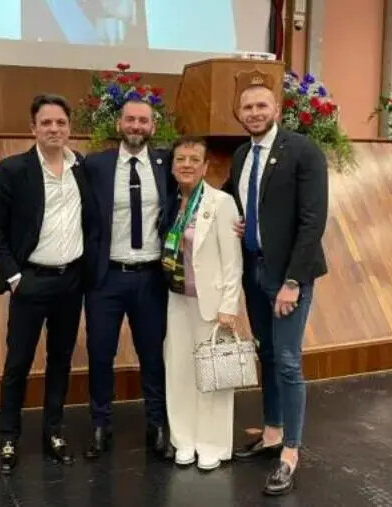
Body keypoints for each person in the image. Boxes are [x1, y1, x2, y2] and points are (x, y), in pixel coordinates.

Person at [223, 78, 329, 495]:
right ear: (240, 113)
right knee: (265, 355)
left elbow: (312, 221)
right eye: (247, 107)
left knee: (287, 361)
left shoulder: (303, 151)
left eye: (261, 105)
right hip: (255, 272)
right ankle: (271, 433)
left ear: (277, 109)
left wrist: (292, 281)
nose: (254, 112)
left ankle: (290, 451)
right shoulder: (240, 155)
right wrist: (242, 223)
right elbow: (246, 202)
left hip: (287, 279)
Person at [0, 94, 93, 474]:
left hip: (70, 282)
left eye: (61, 123)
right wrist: (13, 277)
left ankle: (54, 431)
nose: (54, 129)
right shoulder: (13, 170)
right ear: (33, 128)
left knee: (60, 361)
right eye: (46, 123)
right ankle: (9, 436)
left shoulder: (83, 169)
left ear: (70, 127)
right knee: (18, 363)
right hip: (30, 283)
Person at [82, 97, 177, 461]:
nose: (136, 126)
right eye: (130, 120)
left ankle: (157, 425)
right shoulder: (97, 165)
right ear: (119, 124)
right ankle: (100, 425)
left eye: (143, 121)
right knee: (100, 354)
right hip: (106, 279)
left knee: (153, 355)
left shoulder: (166, 162)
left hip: (151, 278)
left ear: (153, 127)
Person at [161, 136, 242, 471]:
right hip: (177, 300)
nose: (187, 165)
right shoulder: (170, 203)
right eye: (181, 158)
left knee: (213, 375)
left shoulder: (221, 203)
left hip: (211, 304)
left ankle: (212, 444)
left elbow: (232, 262)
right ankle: (183, 440)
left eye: (195, 159)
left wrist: (229, 306)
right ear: (172, 165)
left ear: (206, 166)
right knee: (178, 373)